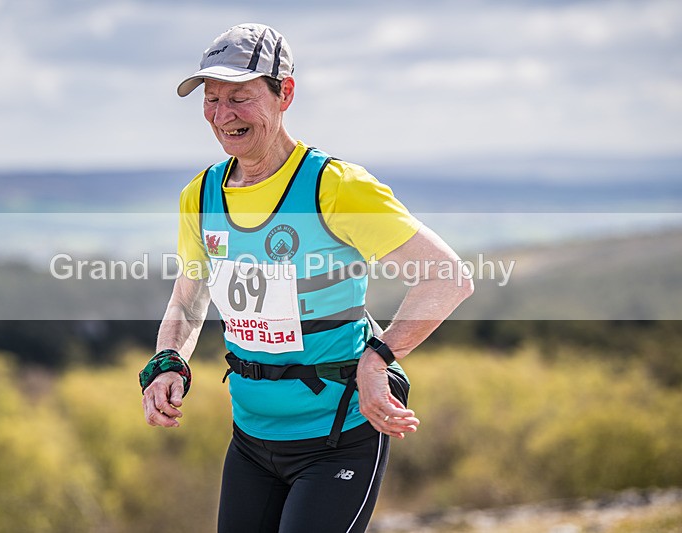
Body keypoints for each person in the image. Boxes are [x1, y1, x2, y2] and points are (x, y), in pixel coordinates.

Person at [140, 23, 473, 532]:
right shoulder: (200, 195)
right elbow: (189, 298)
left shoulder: (334, 186)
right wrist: (168, 363)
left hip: (337, 437)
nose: (223, 114)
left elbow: (447, 278)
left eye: (241, 97)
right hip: (250, 441)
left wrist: (379, 358)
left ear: (285, 93)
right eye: (211, 99)